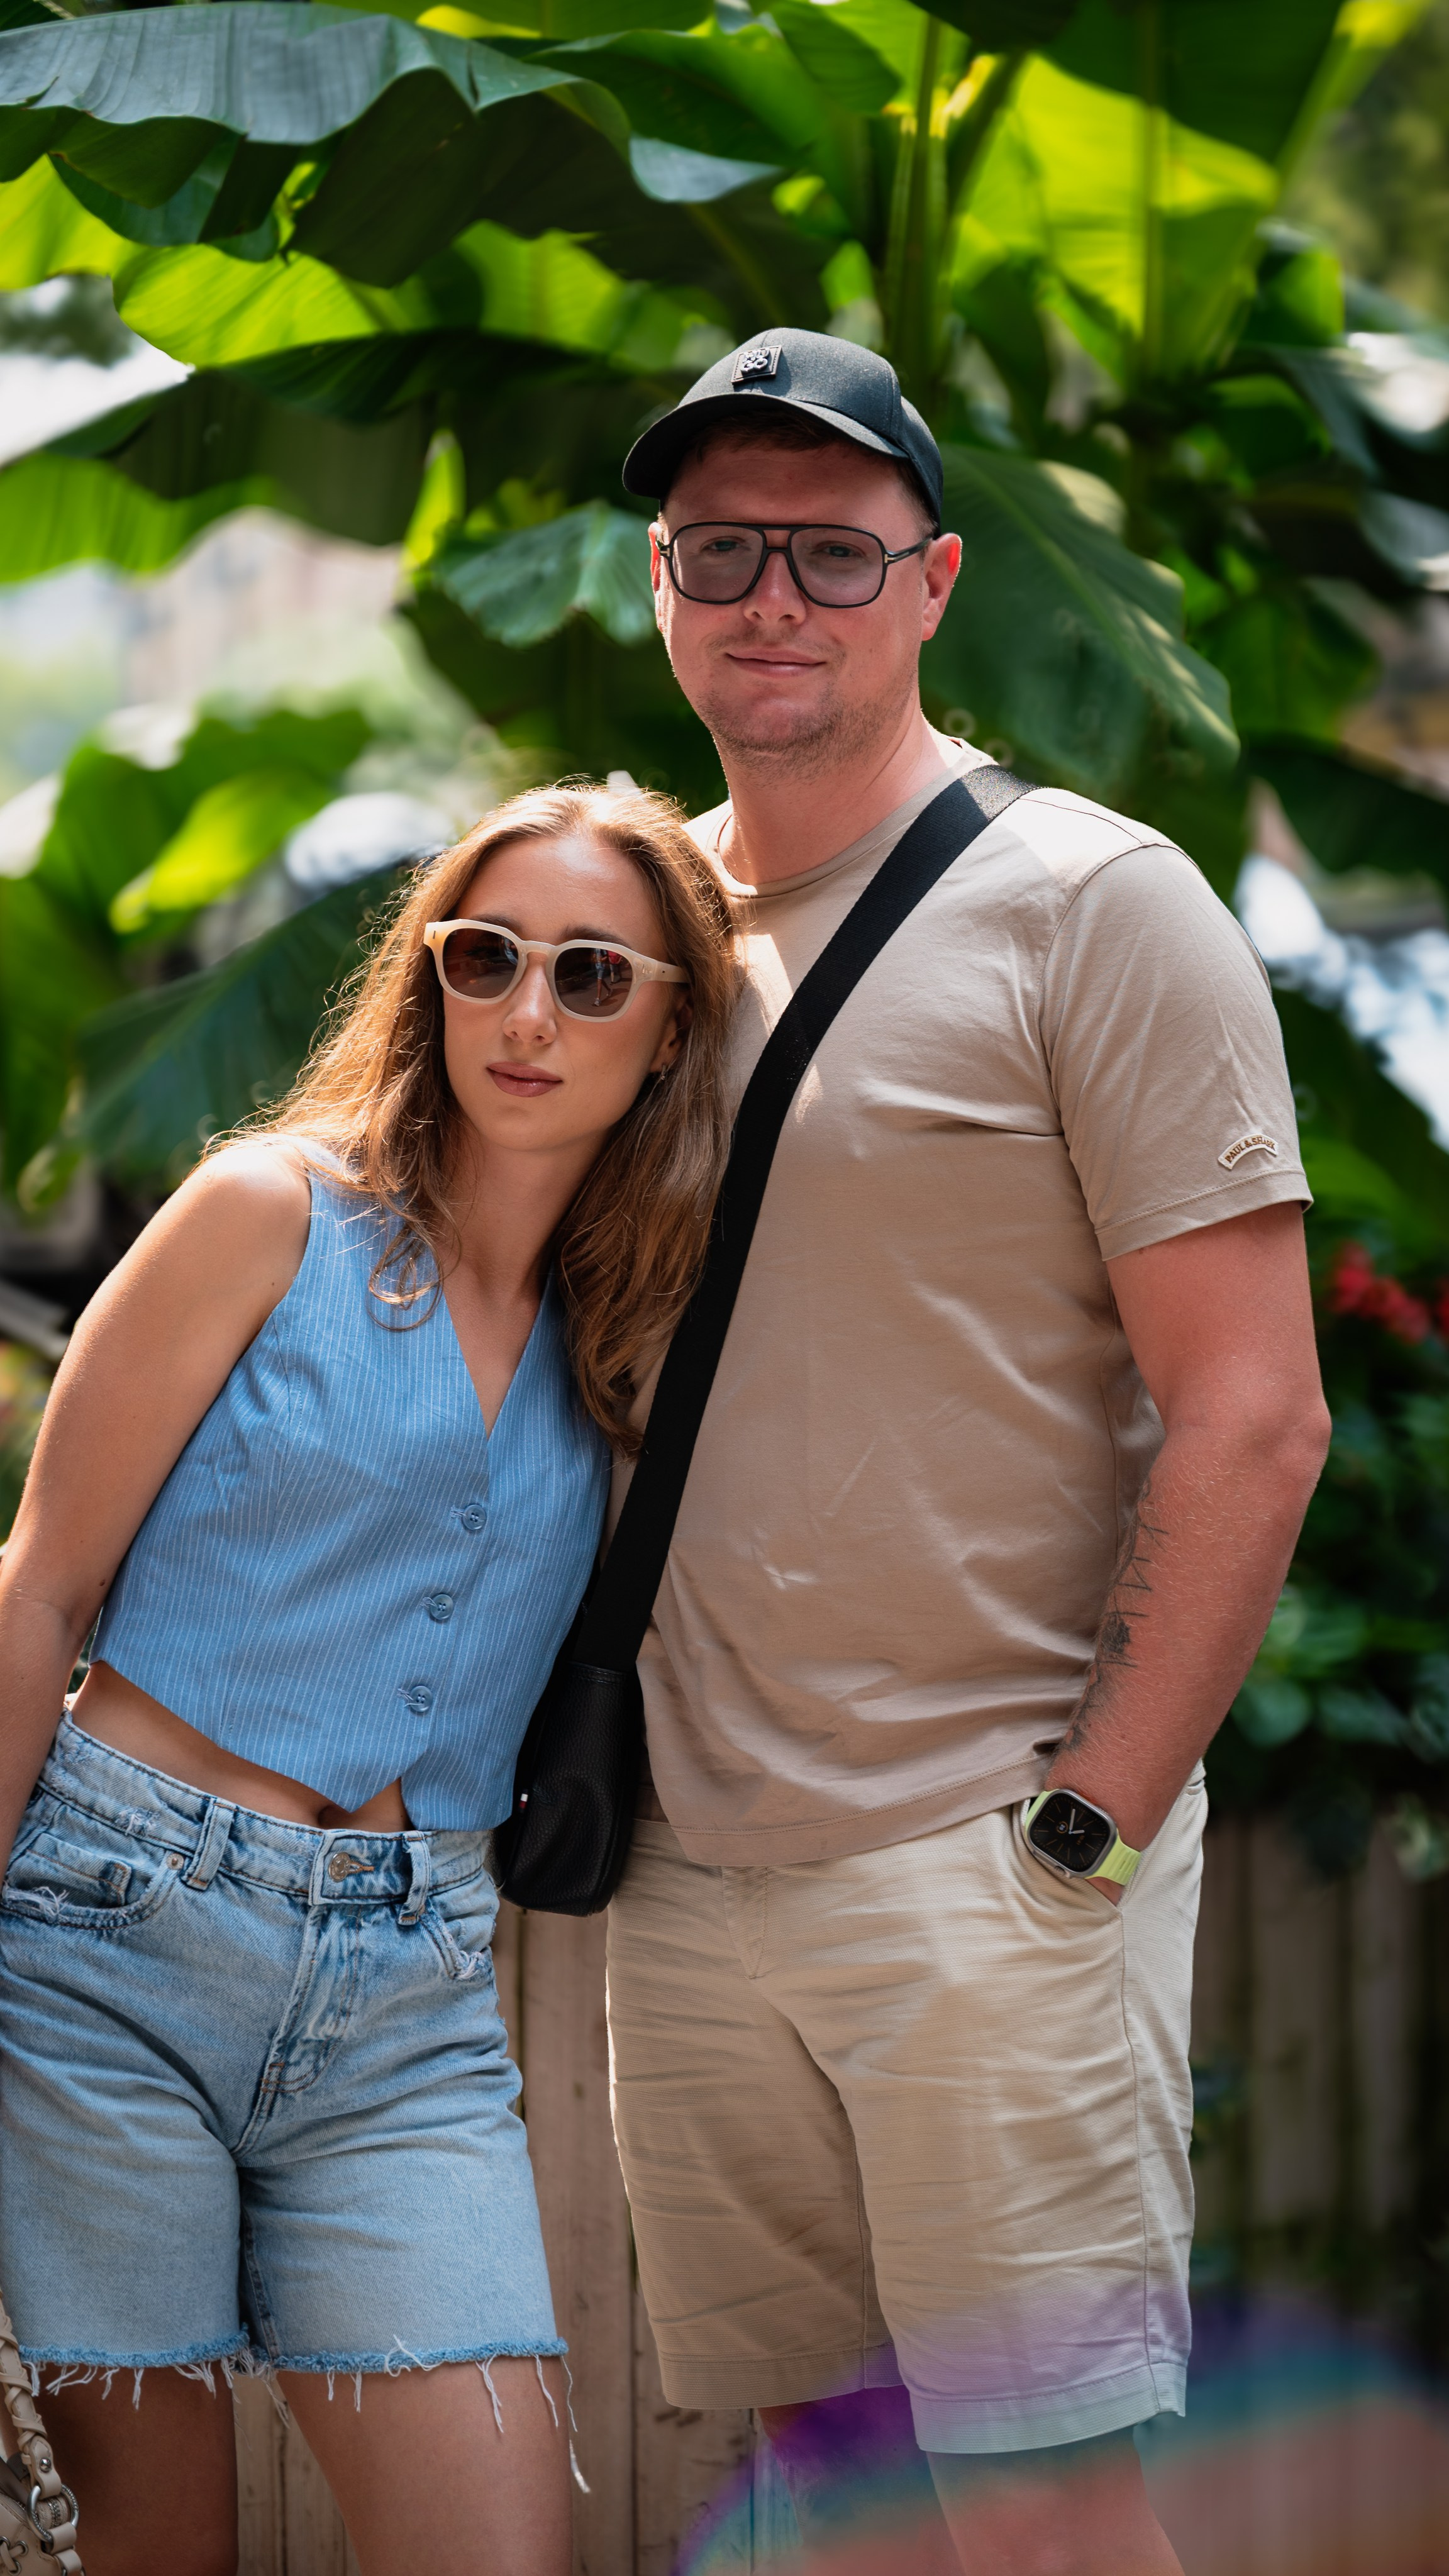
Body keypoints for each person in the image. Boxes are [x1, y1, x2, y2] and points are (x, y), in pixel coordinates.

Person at [602, 330, 1332, 2573]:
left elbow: (1256, 1410)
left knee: (1042, 2524)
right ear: (658, 582)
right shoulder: (624, 931)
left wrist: (1083, 1834)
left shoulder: (1096, 904)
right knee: (831, 2504)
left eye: (831, 554)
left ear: (932, 583)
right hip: (689, 1874)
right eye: (720, 550)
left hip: (984, 1855)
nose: (772, 600)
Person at [0, 784, 736, 2576]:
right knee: (159, 2547)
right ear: (430, 981)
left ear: (671, 1030)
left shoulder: (627, 1338)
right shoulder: (266, 1213)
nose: (528, 1012)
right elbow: (39, 1591)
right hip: (110, 1946)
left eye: (589, 973)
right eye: (484, 959)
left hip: (407, 1997)